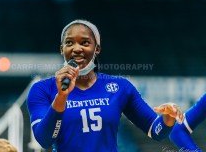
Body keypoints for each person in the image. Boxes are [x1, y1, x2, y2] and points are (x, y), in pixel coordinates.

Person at [27, 19, 184, 152]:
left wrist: (168, 117)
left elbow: (156, 131)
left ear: (97, 49)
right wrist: (61, 96)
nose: (76, 48)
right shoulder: (42, 89)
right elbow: (44, 140)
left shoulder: (120, 87)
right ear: (62, 49)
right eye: (69, 43)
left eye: (85, 42)